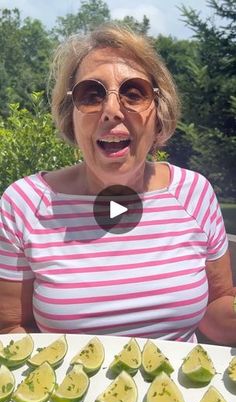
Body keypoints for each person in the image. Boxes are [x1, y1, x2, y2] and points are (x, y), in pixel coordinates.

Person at [0, 24, 235, 346]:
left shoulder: (194, 193)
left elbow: (216, 306)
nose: (112, 111)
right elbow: (11, 327)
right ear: (71, 114)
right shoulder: (24, 203)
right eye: (91, 94)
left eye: (134, 93)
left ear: (159, 112)